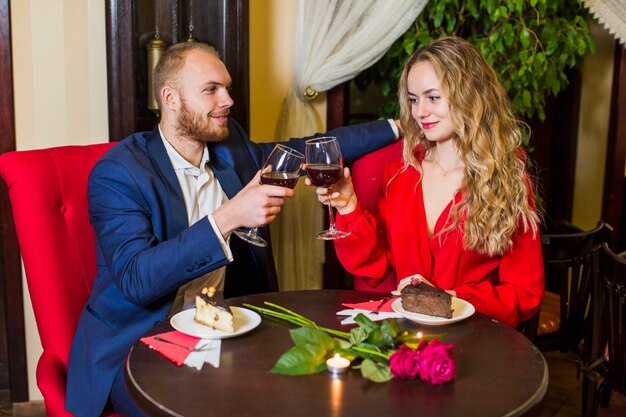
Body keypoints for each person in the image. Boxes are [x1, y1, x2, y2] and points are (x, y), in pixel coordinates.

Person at [65, 42, 400, 417]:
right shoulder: (119, 173)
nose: (227, 100)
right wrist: (229, 217)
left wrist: (397, 126)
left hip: (225, 332)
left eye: (227, 88)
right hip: (136, 344)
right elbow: (136, 279)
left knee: (311, 392)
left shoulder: (230, 147)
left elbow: (305, 148)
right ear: (170, 98)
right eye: (211, 89)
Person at [309, 36, 544, 329]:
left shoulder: (505, 181)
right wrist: (348, 207)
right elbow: (376, 266)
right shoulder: (400, 176)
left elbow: (524, 293)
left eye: (433, 97)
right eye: (413, 99)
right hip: (403, 336)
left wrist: (452, 298)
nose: (419, 112)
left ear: (470, 96)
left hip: (473, 338)